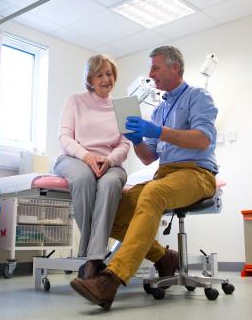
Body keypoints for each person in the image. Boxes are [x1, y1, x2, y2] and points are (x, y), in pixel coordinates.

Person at [70, 46, 218, 310]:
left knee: (153, 193)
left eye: (155, 68)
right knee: (112, 213)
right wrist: (137, 139)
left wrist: (159, 131)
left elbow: (202, 139)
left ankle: (109, 281)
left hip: (197, 173)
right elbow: (149, 157)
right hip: (166, 174)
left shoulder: (198, 96)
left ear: (175, 68)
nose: (150, 74)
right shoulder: (160, 109)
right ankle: (164, 258)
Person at [53, 54, 130, 280]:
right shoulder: (75, 100)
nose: (106, 78)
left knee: (111, 182)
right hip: (75, 157)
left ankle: (92, 258)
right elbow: (65, 137)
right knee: (83, 179)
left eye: (109, 73)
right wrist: (86, 156)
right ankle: (93, 256)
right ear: (90, 79)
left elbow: (125, 144)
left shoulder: (122, 107)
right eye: (100, 74)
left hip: (110, 163)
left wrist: (109, 161)